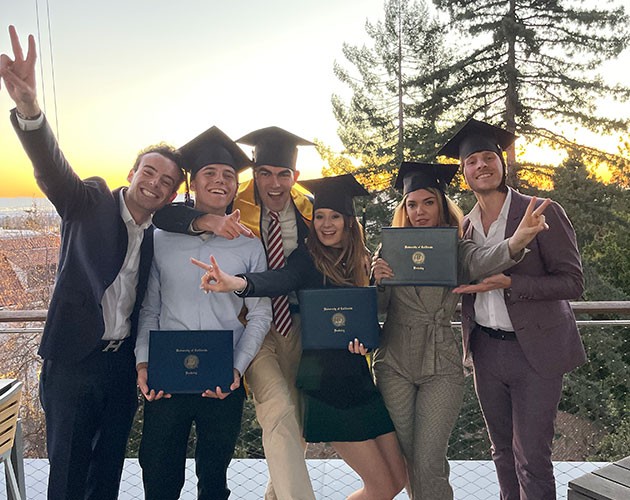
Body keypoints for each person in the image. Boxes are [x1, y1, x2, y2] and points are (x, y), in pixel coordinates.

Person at [0, 25, 186, 500]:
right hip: (73, 362)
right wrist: (29, 110)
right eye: (150, 171)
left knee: (106, 474)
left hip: (120, 367)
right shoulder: (89, 201)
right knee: (65, 473)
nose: (155, 183)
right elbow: (51, 168)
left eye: (167, 181)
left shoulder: (162, 233)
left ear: (171, 195)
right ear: (132, 173)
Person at [193, 174, 408, 500]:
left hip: (360, 380)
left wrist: (377, 291)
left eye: (335, 216)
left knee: (396, 482)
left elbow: (367, 318)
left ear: (349, 221)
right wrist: (237, 283)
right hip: (327, 384)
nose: (326, 224)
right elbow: (278, 280)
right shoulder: (306, 259)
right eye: (319, 216)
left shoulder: (360, 259)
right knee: (379, 487)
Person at [371, 162, 552, 499]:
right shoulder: (389, 248)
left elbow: (485, 260)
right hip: (393, 362)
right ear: (404, 209)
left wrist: (516, 242)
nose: (419, 211)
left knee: (429, 459)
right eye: (412, 204)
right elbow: (379, 308)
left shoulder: (455, 247)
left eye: (428, 202)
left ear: (440, 204)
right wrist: (377, 281)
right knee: (410, 458)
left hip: (441, 364)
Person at [154, 126, 316, 500]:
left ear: (295, 176)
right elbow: (167, 217)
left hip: (299, 325)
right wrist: (208, 221)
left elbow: (307, 264)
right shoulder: (233, 201)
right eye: (264, 174)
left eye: (283, 175)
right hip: (253, 329)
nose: (274, 185)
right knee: (276, 410)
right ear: (253, 173)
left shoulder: (310, 209)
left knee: (295, 427)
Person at [438, 118, 587, 500]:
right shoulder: (464, 228)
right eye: (472, 161)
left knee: (532, 459)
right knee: (502, 453)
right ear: (464, 172)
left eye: (489, 157)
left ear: (502, 164)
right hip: (486, 353)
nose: (482, 165)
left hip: (534, 353)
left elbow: (573, 282)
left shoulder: (540, 211)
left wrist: (512, 283)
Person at [134, 125, 272, 500]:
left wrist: (237, 368)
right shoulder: (160, 239)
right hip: (167, 376)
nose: (220, 181)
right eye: (210, 173)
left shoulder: (249, 245)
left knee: (214, 481)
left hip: (221, 377)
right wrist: (144, 363)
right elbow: (150, 308)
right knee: (159, 478)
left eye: (228, 175)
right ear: (193, 184)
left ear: (235, 187)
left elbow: (260, 314)